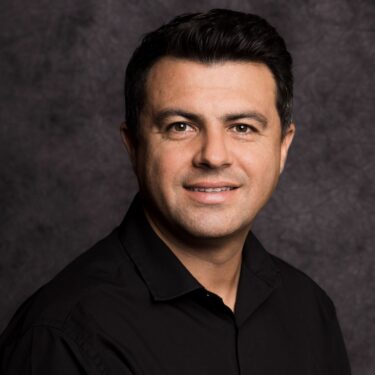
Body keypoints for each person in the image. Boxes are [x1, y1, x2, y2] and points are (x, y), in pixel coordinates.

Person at [0, 9, 351, 375]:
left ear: (282, 147)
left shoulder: (309, 310)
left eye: (243, 127)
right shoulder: (62, 338)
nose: (213, 155)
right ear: (133, 146)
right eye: (181, 126)